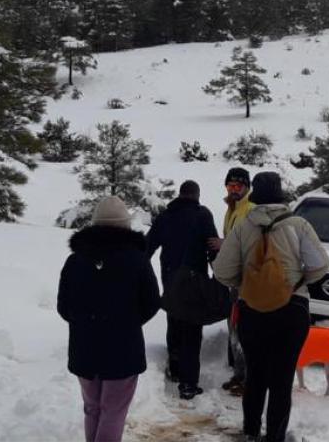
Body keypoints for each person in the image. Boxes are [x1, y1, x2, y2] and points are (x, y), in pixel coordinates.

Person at [213, 172, 329, 442]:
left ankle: (251, 432)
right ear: (280, 196)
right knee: (281, 379)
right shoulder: (298, 225)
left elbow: (222, 271)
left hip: (252, 311)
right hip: (292, 309)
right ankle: (275, 436)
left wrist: (246, 283)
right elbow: (320, 265)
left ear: (255, 196)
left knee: (255, 376)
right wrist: (298, 281)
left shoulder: (243, 226)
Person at [58, 196, 161, 442]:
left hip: (84, 348)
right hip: (123, 349)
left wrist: (86, 324)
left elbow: (64, 307)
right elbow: (152, 303)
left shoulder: (75, 260)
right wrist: (127, 322)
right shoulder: (137, 260)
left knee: (92, 408)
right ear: (126, 224)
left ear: (95, 223)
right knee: (113, 410)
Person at [144, 180, 220, 400]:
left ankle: (174, 368)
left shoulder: (165, 216)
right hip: (195, 281)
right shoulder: (203, 215)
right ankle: (188, 384)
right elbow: (213, 248)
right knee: (192, 330)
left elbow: (148, 247)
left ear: (180, 194)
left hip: (170, 279)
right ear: (197, 195)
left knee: (174, 321)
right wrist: (220, 275)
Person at [208, 167, 253, 395]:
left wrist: (223, 243)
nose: (234, 190)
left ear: (247, 187)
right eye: (230, 186)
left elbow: (247, 243)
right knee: (234, 327)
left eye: (238, 186)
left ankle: (247, 378)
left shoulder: (250, 209)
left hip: (247, 281)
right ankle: (239, 374)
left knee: (243, 329)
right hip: (235, 279)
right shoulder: (233, 208)